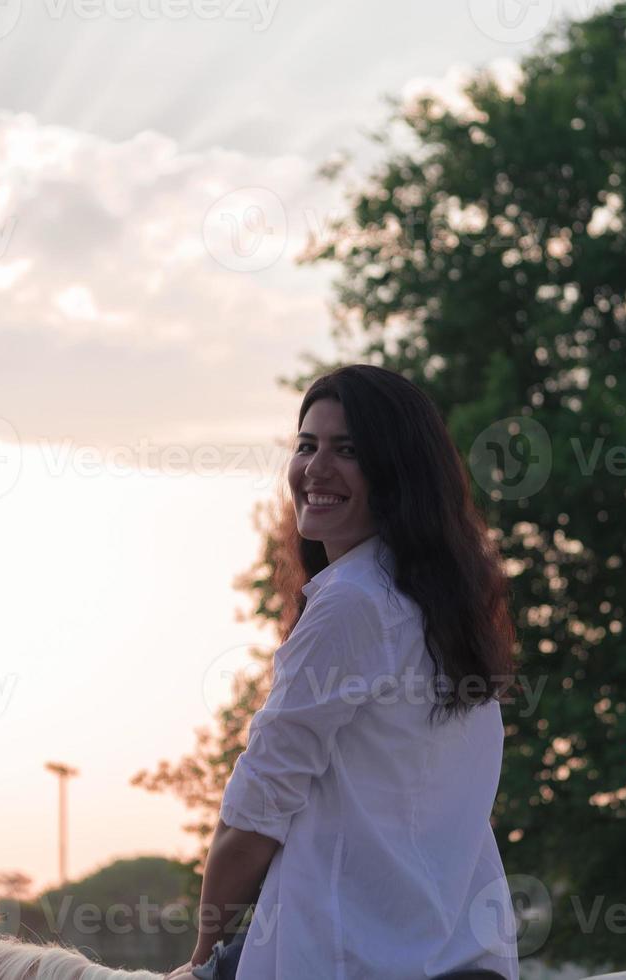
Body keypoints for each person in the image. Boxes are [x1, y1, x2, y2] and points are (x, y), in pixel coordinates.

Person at [168, 364, 522, 980]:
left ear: (398, 472)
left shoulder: (352, 603)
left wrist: (199, 960)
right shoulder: (447, 610)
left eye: (349, 450)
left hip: (348, 958)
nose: (316, 469)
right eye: (307, 446)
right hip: (465, 956)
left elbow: (256, 811)